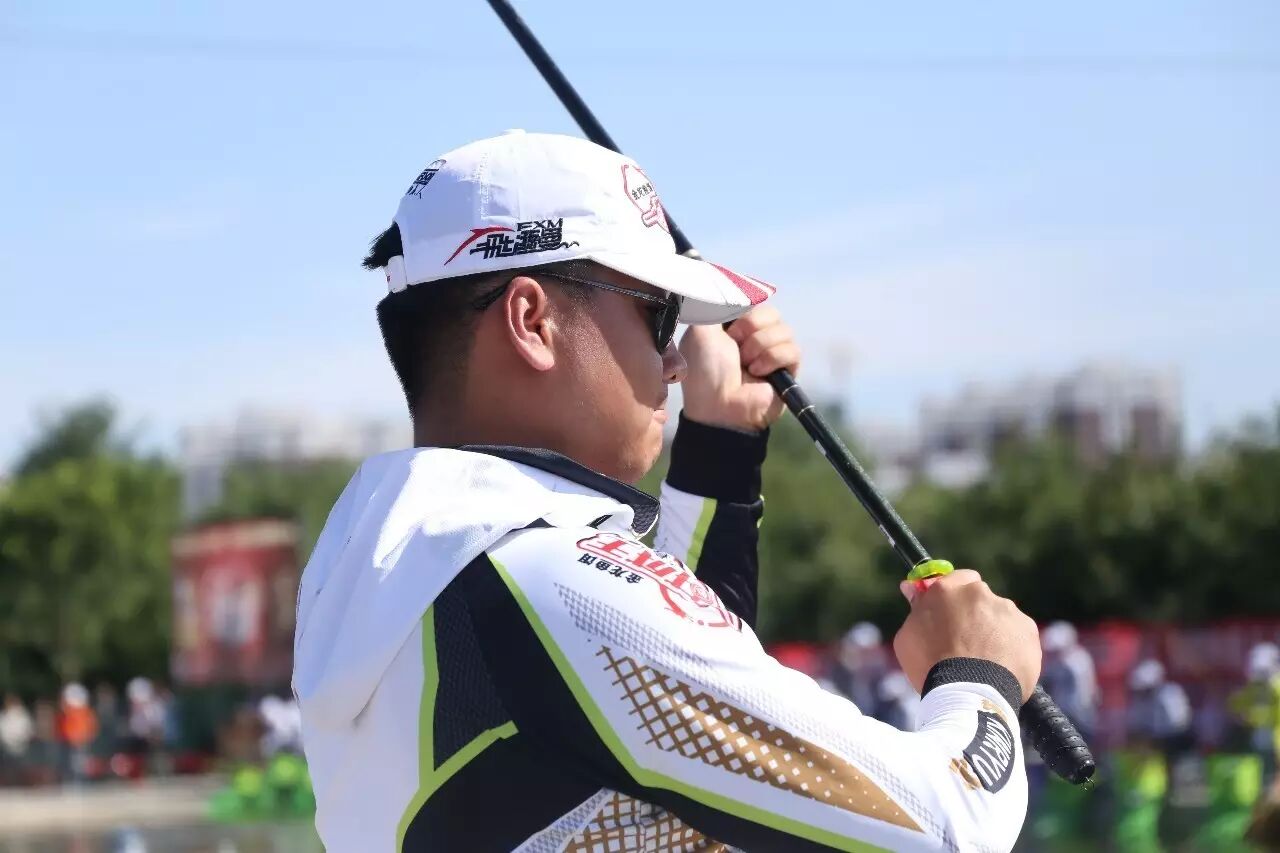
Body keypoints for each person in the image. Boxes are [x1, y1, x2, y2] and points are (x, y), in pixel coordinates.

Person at [293, 130, 1042, 852]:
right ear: (531, 321)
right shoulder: (546, 582)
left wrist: (722, 446)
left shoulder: (391, 566)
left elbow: (659, 705)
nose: (677, 362)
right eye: (658, 316)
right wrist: (977, 672)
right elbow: (951, 830)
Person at [1229, 642, 1280, 789]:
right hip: (1259, 740)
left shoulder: (1276, 685)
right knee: (1263, 778)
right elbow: (1238, 704)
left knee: (1273, 778)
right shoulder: (1255, 685)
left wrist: (1252, 717)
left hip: (1275, 741)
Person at [1039, 621, 1099, 743]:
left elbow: (1084, 691)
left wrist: (1081, 710)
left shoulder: (1077, 660)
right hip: (1062, 712)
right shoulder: (1056, 662)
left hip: (1078, 713)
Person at [0, 693, 34, 785]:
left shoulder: (23, 716)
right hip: (6, 747)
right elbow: (3, 732)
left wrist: (19, 740)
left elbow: (27, 731)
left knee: (21, 767)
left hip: (22, 747)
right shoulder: (3, 716)